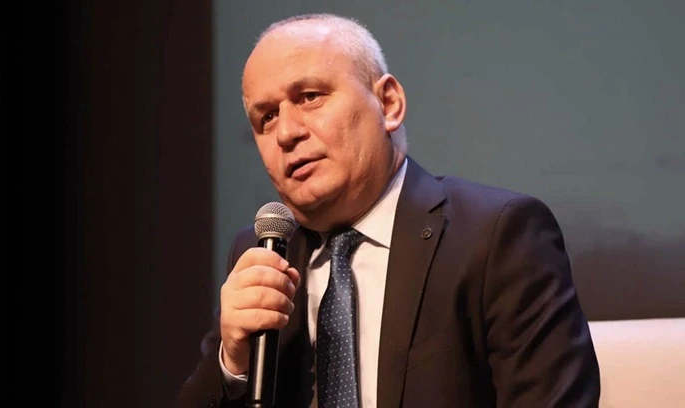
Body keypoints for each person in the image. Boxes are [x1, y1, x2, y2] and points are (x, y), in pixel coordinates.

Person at [176, 13, 600, 408]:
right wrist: (232, 363)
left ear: (389, 103)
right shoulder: (262, 254)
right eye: (267, 117)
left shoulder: (496, 237)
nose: (286, 132)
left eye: (310, 97)